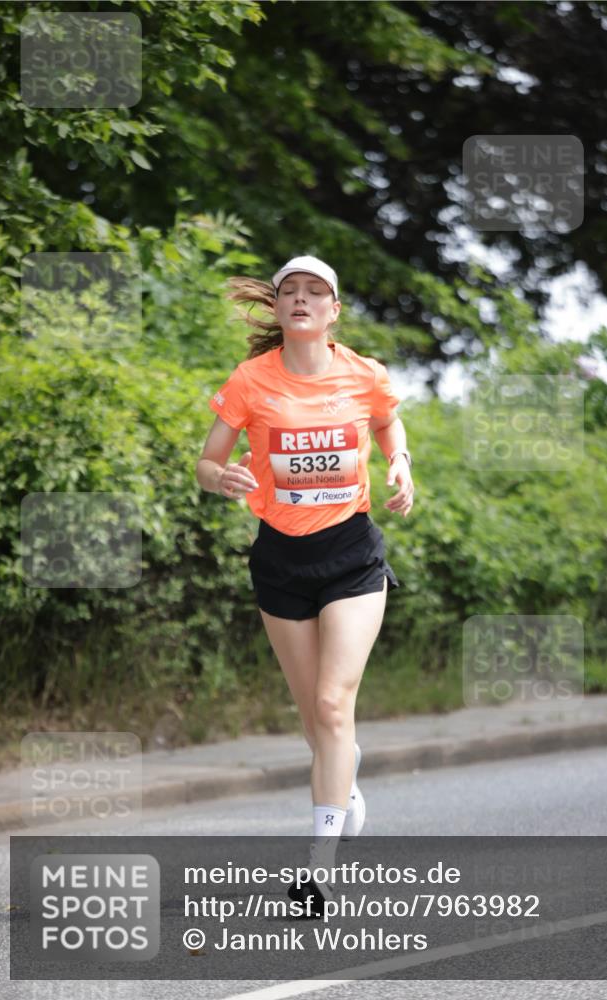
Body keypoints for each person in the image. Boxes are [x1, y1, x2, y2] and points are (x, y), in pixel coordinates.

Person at [196, 255, 414, 915]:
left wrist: (398, 461)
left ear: (332, 310)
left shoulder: (363, 374)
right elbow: (207, 461)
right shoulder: (250, 381)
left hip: (350, 554)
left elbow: (386, 419)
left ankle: (317, 871)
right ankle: (343, 785)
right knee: (315, 719)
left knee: (329, 703)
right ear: (278, 309)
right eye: (288, 290)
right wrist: (222, 477)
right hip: (280, 560)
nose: (299, 298)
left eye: (314, 291)